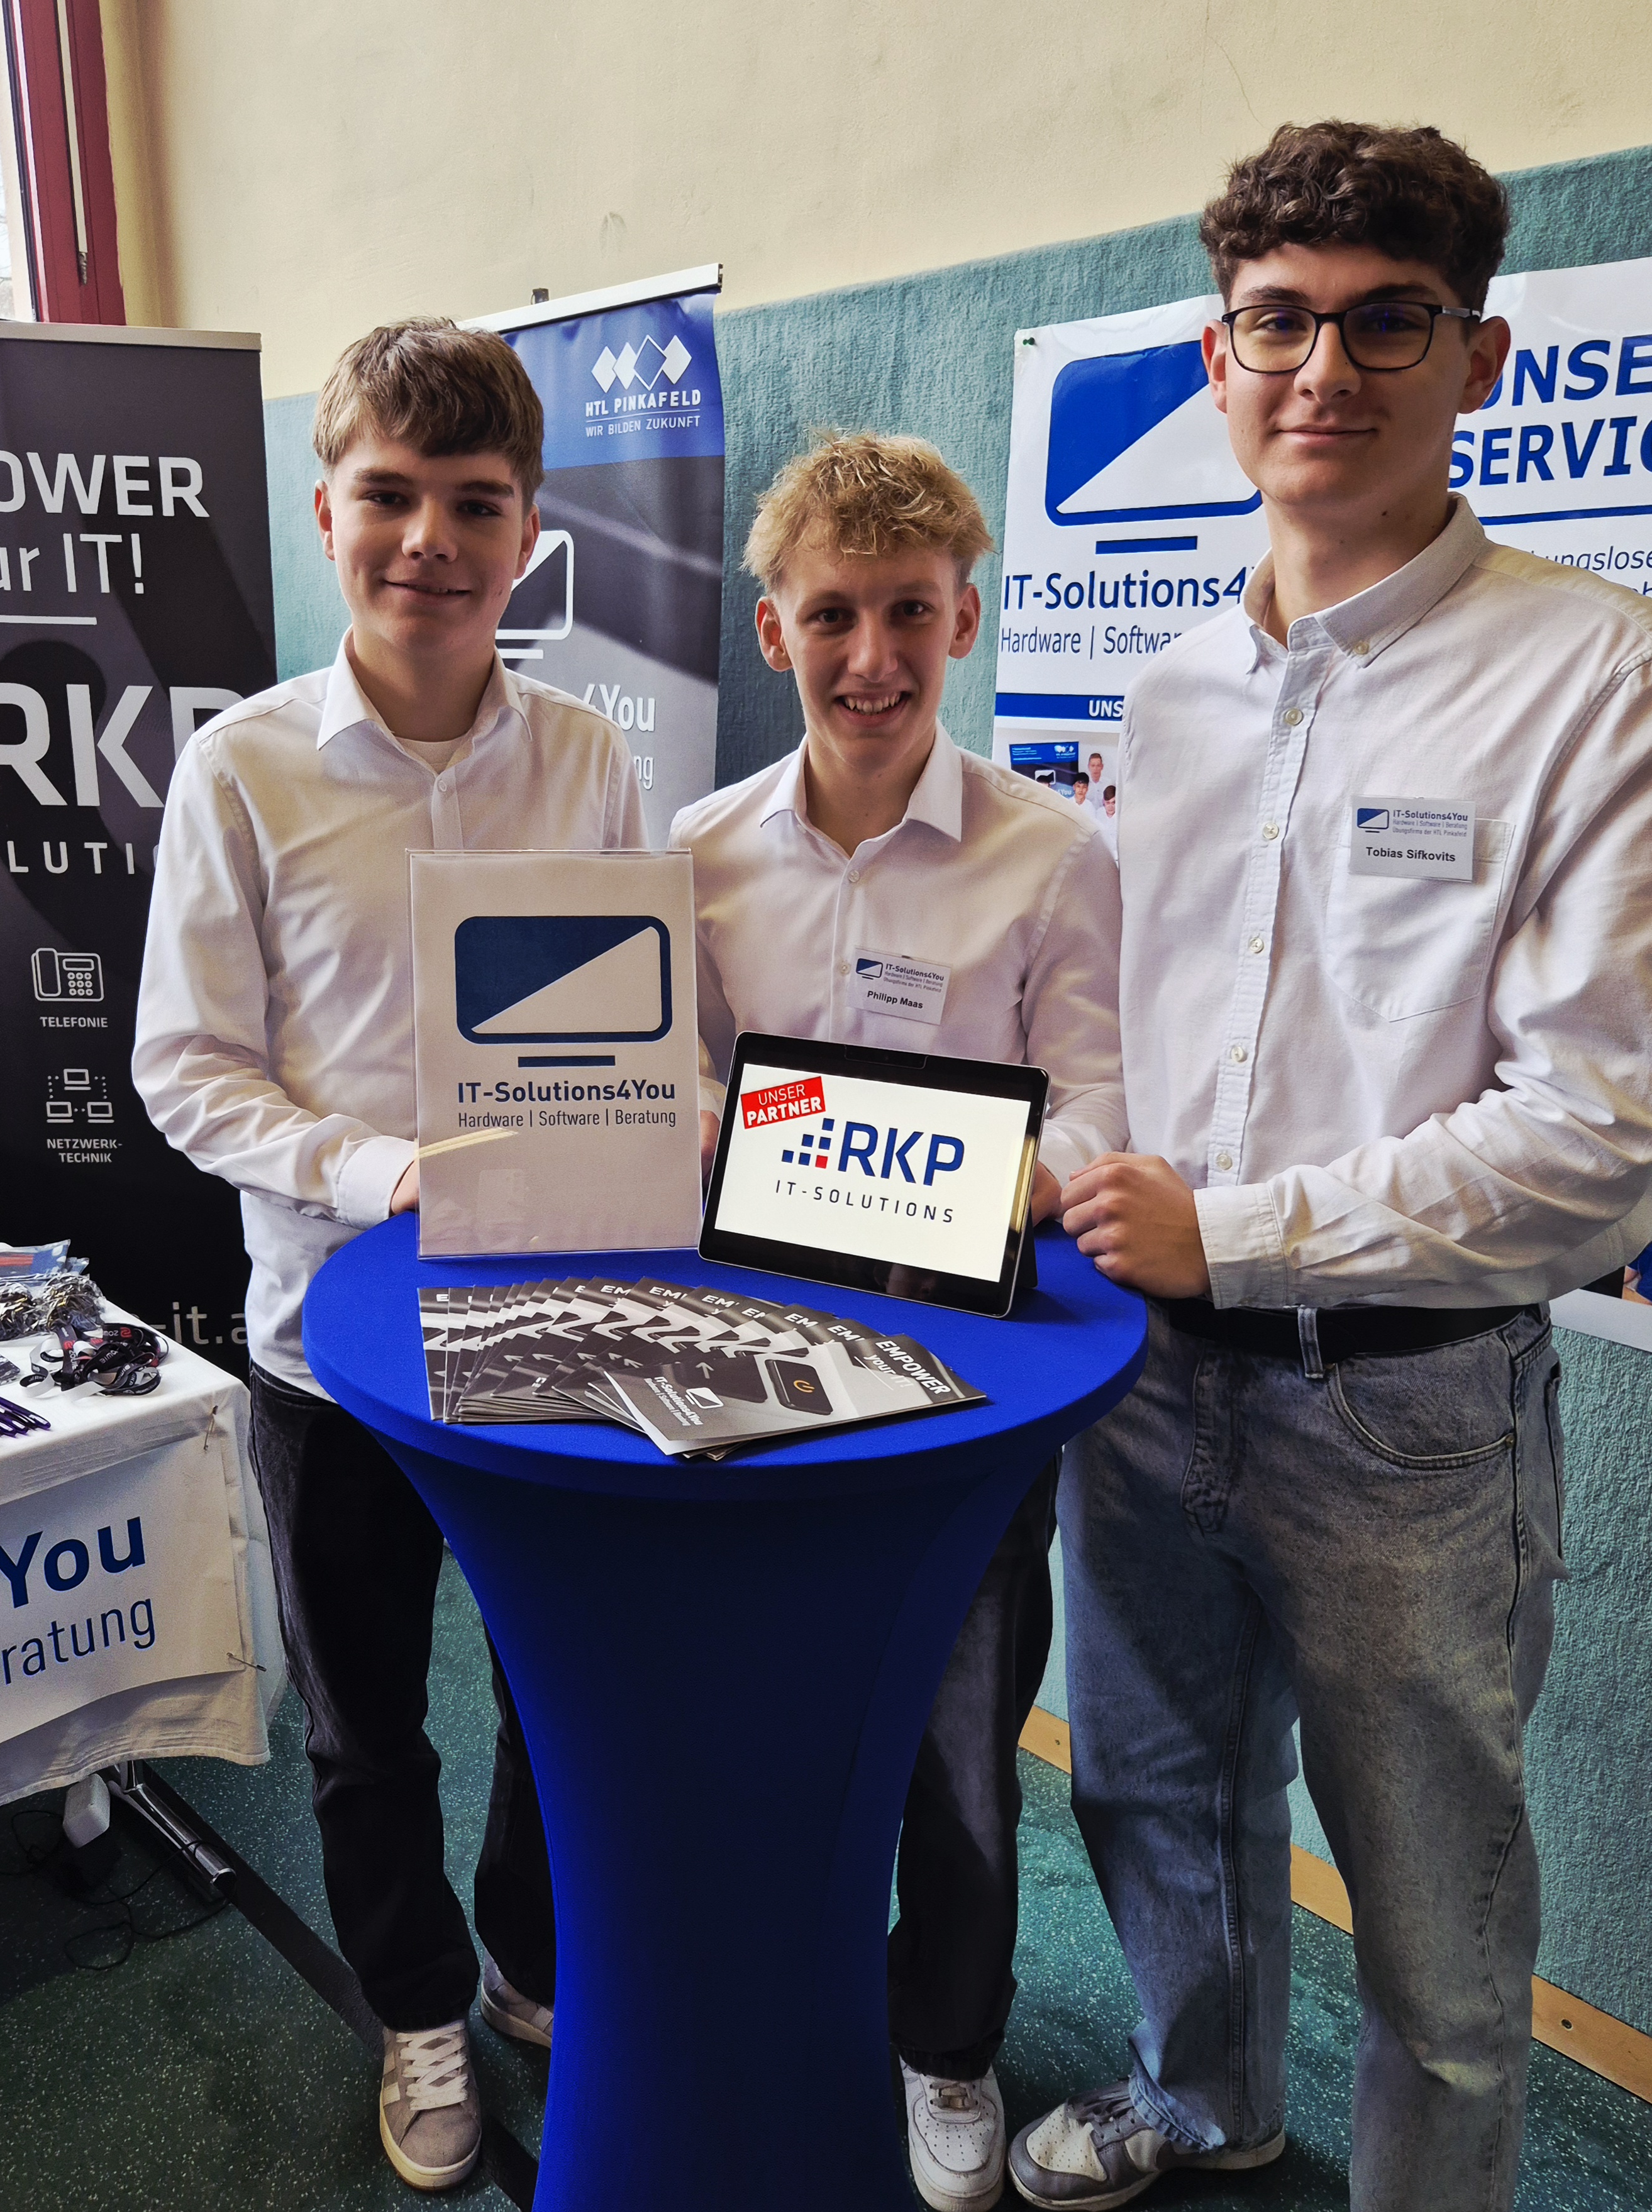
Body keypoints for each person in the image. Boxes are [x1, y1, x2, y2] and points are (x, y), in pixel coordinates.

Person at [1009, 120, 1652, 2212]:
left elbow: (1603, 1141)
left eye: (1390, 323)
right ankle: (1208, 2104)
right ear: (1219, 357)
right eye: (1279, 322)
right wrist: (1053, 1162)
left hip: (1409, 1419)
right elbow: (1121, 1035)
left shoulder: (1595, 674)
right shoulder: (1171, 694)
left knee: (1438, 1935)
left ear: (1480, 359)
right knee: (1154, 1805)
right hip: (1147, 1387)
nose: (1325, 370)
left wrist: (1235, 1231)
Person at [135, 318, 646, 2193]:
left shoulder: (587, 759)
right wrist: (378, 1169)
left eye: (476, 503)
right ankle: (417, 2011)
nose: (431, 538)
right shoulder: (243, 771)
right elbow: (186, 1070)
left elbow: (639, 1021)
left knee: (554, 1695)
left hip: (548, 1319)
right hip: (330, 1345)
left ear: (529, 535)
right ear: (327, 508)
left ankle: (526, 1964)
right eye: (392, 495)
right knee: (365, 1725)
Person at [670, 431, 1126, 2211]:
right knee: (760, 1719)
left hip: (965, 1389)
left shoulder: (1053, 855)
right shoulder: (697, 856)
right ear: (771, 630)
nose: (874, 659)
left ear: (968, 619)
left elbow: (1099, 1108)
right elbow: (670, 1098)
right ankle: (779, 1991)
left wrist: (978, 1187)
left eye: (912, 615)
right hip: (751, 1376)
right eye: (834, 616)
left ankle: (947, 2042)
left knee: (959, 1747)